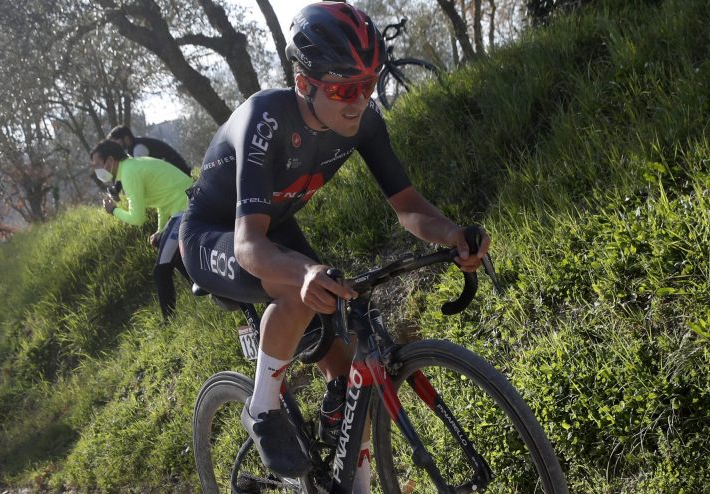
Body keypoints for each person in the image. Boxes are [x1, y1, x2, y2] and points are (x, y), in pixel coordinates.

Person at [178, 2, 490, 490]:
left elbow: (407, 204)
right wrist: (301, 274)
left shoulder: (363, 121)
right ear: (304, 83)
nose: (358, 100)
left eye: (367, 85)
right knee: (296, 289)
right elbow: (248, 245)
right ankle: (263, 408)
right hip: (213, 235)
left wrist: (452, 234)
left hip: (273, 230)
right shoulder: (266, 118)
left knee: (348, 383)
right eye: (343, 88)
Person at [91, 140, 195, 320]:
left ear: (109, 161)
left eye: (97, 165)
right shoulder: (131, 167)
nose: (96, 171)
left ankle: (169, 324)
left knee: (161, 270)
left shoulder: (130, 173)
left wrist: (113, 210)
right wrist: (160, 230)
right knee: (168, 251)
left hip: (187, 207)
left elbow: (138, 218)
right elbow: (163, 202)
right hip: (186, 204)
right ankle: (209, 291)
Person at [107, 125, 192, 178]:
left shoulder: (138, 148)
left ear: (125, 138)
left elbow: (142, 172)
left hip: (179, 174)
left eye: (116, 142)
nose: (115, 146)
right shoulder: (133, 148)